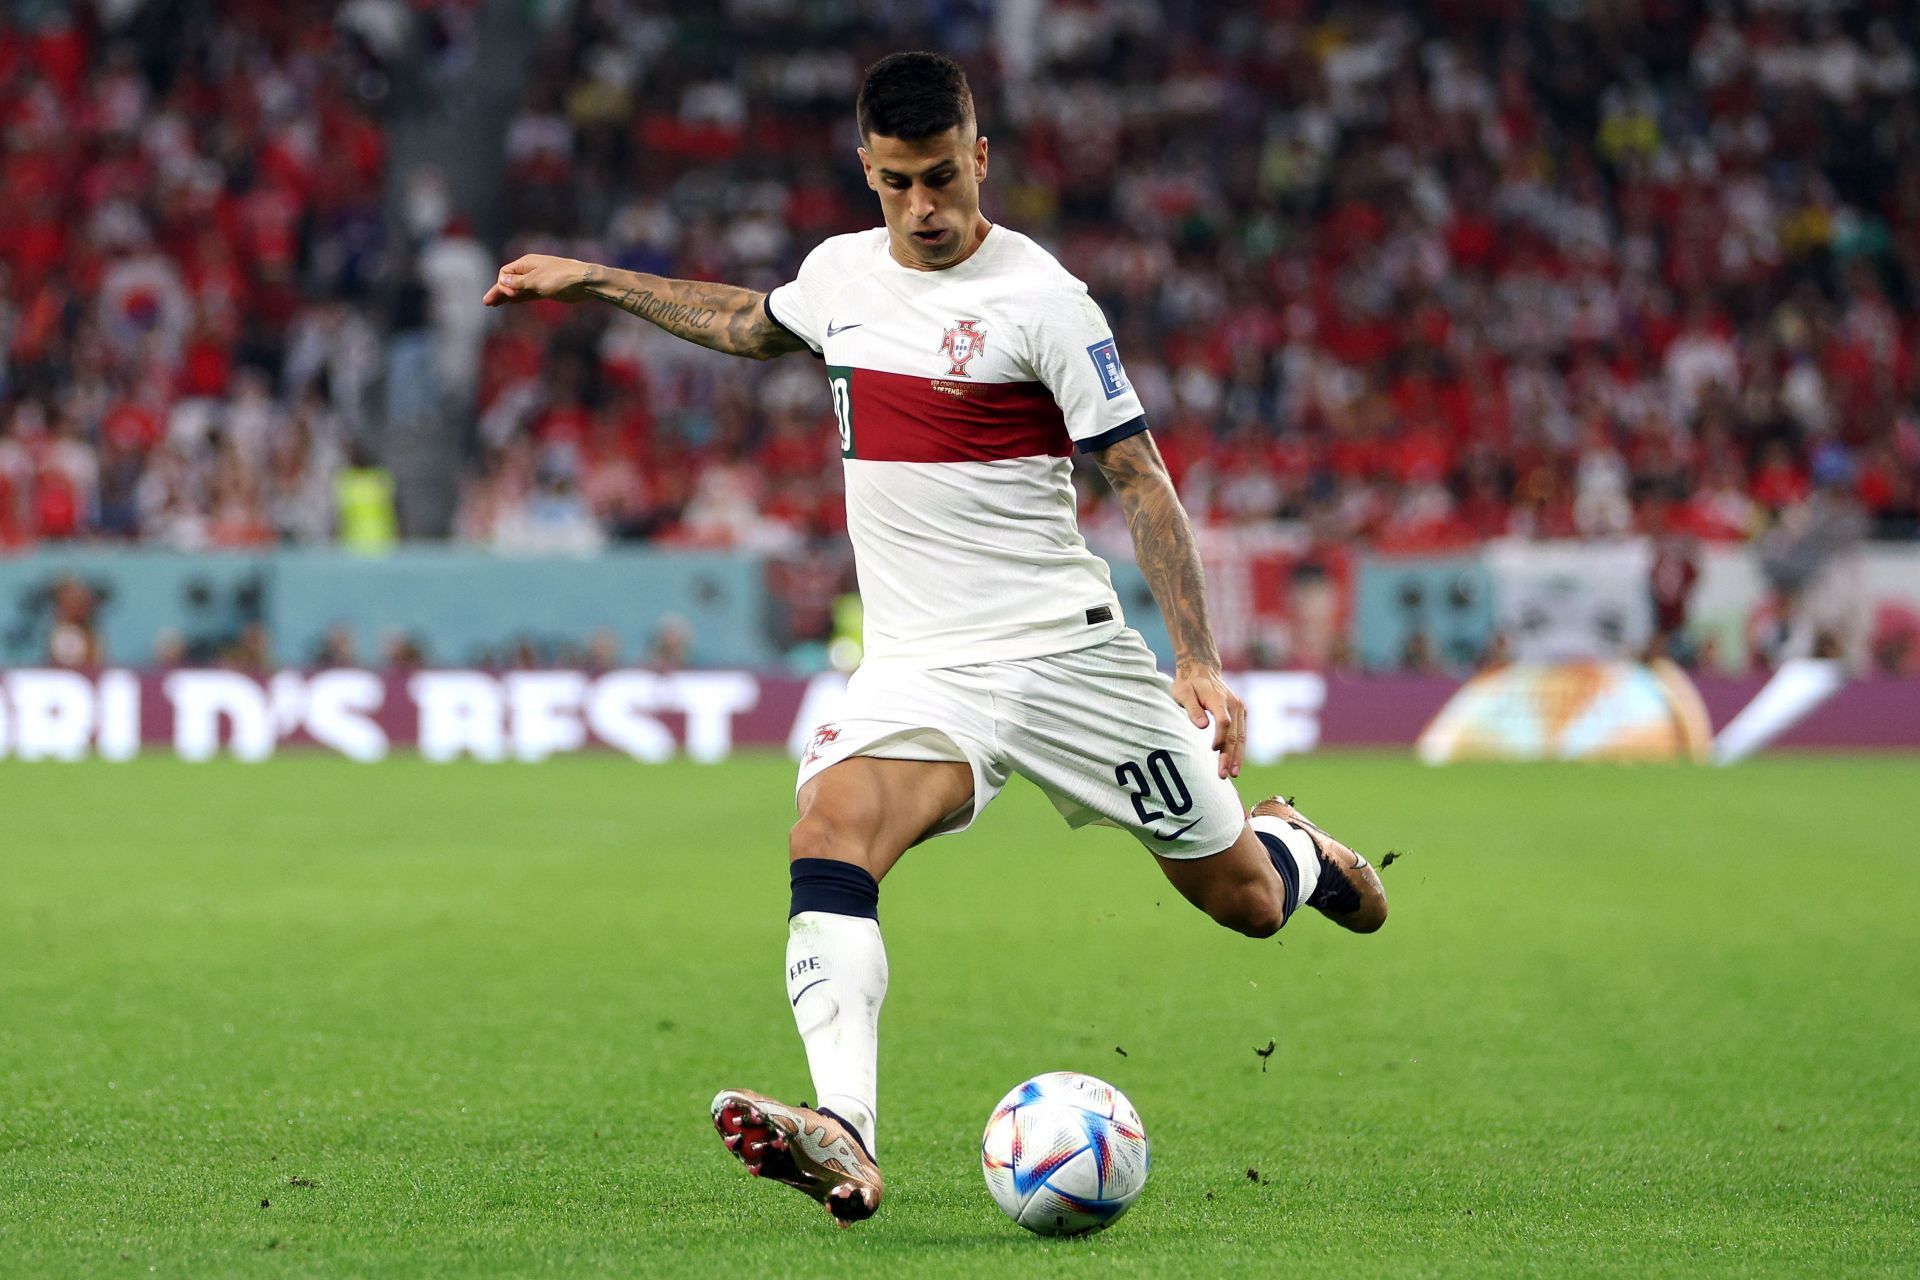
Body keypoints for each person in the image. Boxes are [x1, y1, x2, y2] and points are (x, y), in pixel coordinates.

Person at [482, 51, 1388, 1226]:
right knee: (831, 828)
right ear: (867, 170)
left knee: (1247, 903)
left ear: (983, 160)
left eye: (947, 178)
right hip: (924, 666)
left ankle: (1293, 844)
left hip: (1070, 657)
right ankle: (845, 1129)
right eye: (901, 182)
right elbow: (754, 325)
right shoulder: (840, 277)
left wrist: (1197, 653)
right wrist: (589, 279)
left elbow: (1141, 479)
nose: (928, 207)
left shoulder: (1046, 300)